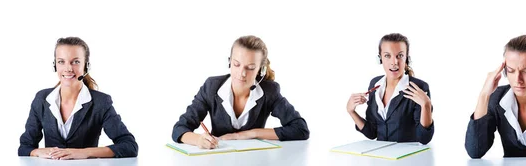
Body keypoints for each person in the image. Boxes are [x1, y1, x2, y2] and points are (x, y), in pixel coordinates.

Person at [172, 35, 309, 149]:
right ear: (229, 62)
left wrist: (249, 134)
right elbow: (179, 129)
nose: (242, 73)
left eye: (250, 67)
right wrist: (198, 140)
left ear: (260, 70)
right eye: (236, 64)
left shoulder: (269, 91)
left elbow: (300, 129)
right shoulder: (211, 87)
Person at [19, 37, 138, 159]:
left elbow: (129, 146)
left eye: (75, 62)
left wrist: (83, 152)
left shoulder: (101, 102)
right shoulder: (42, 99)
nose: (68, 68)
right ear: (55, 65)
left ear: (86, 66)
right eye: (61, 61)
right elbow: (24, 147)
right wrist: (37, 152)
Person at [346, 33, 434, 144]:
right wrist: (351, 112)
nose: (394, 62)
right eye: (387, 56)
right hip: (381, 157)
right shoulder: (375, 84)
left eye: (400, 56)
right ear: (380, 58)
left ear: (407, 58)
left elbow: (424, 138)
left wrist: (426, 105)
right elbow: (372, 133)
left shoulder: (418, 87)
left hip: (407, 158)